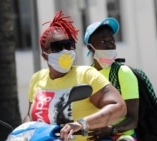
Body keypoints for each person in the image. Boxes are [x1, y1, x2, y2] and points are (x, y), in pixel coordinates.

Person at [22, 11, 127, 141]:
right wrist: (22, 133)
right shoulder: (37, 78)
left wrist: (81, 124)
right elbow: (30, 116)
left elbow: (119, 107)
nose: (65, 51)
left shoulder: (86, 75)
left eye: (69, 45)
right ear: (44, 55)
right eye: (58, 47)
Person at [84, 18, 139, 141]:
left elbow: (133, 119)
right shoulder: (87, 75)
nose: (109, 45)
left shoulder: (122, 73)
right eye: (103, 41)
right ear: (90, 48)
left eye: (112, 41)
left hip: (122, 137)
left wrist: (111, 129)